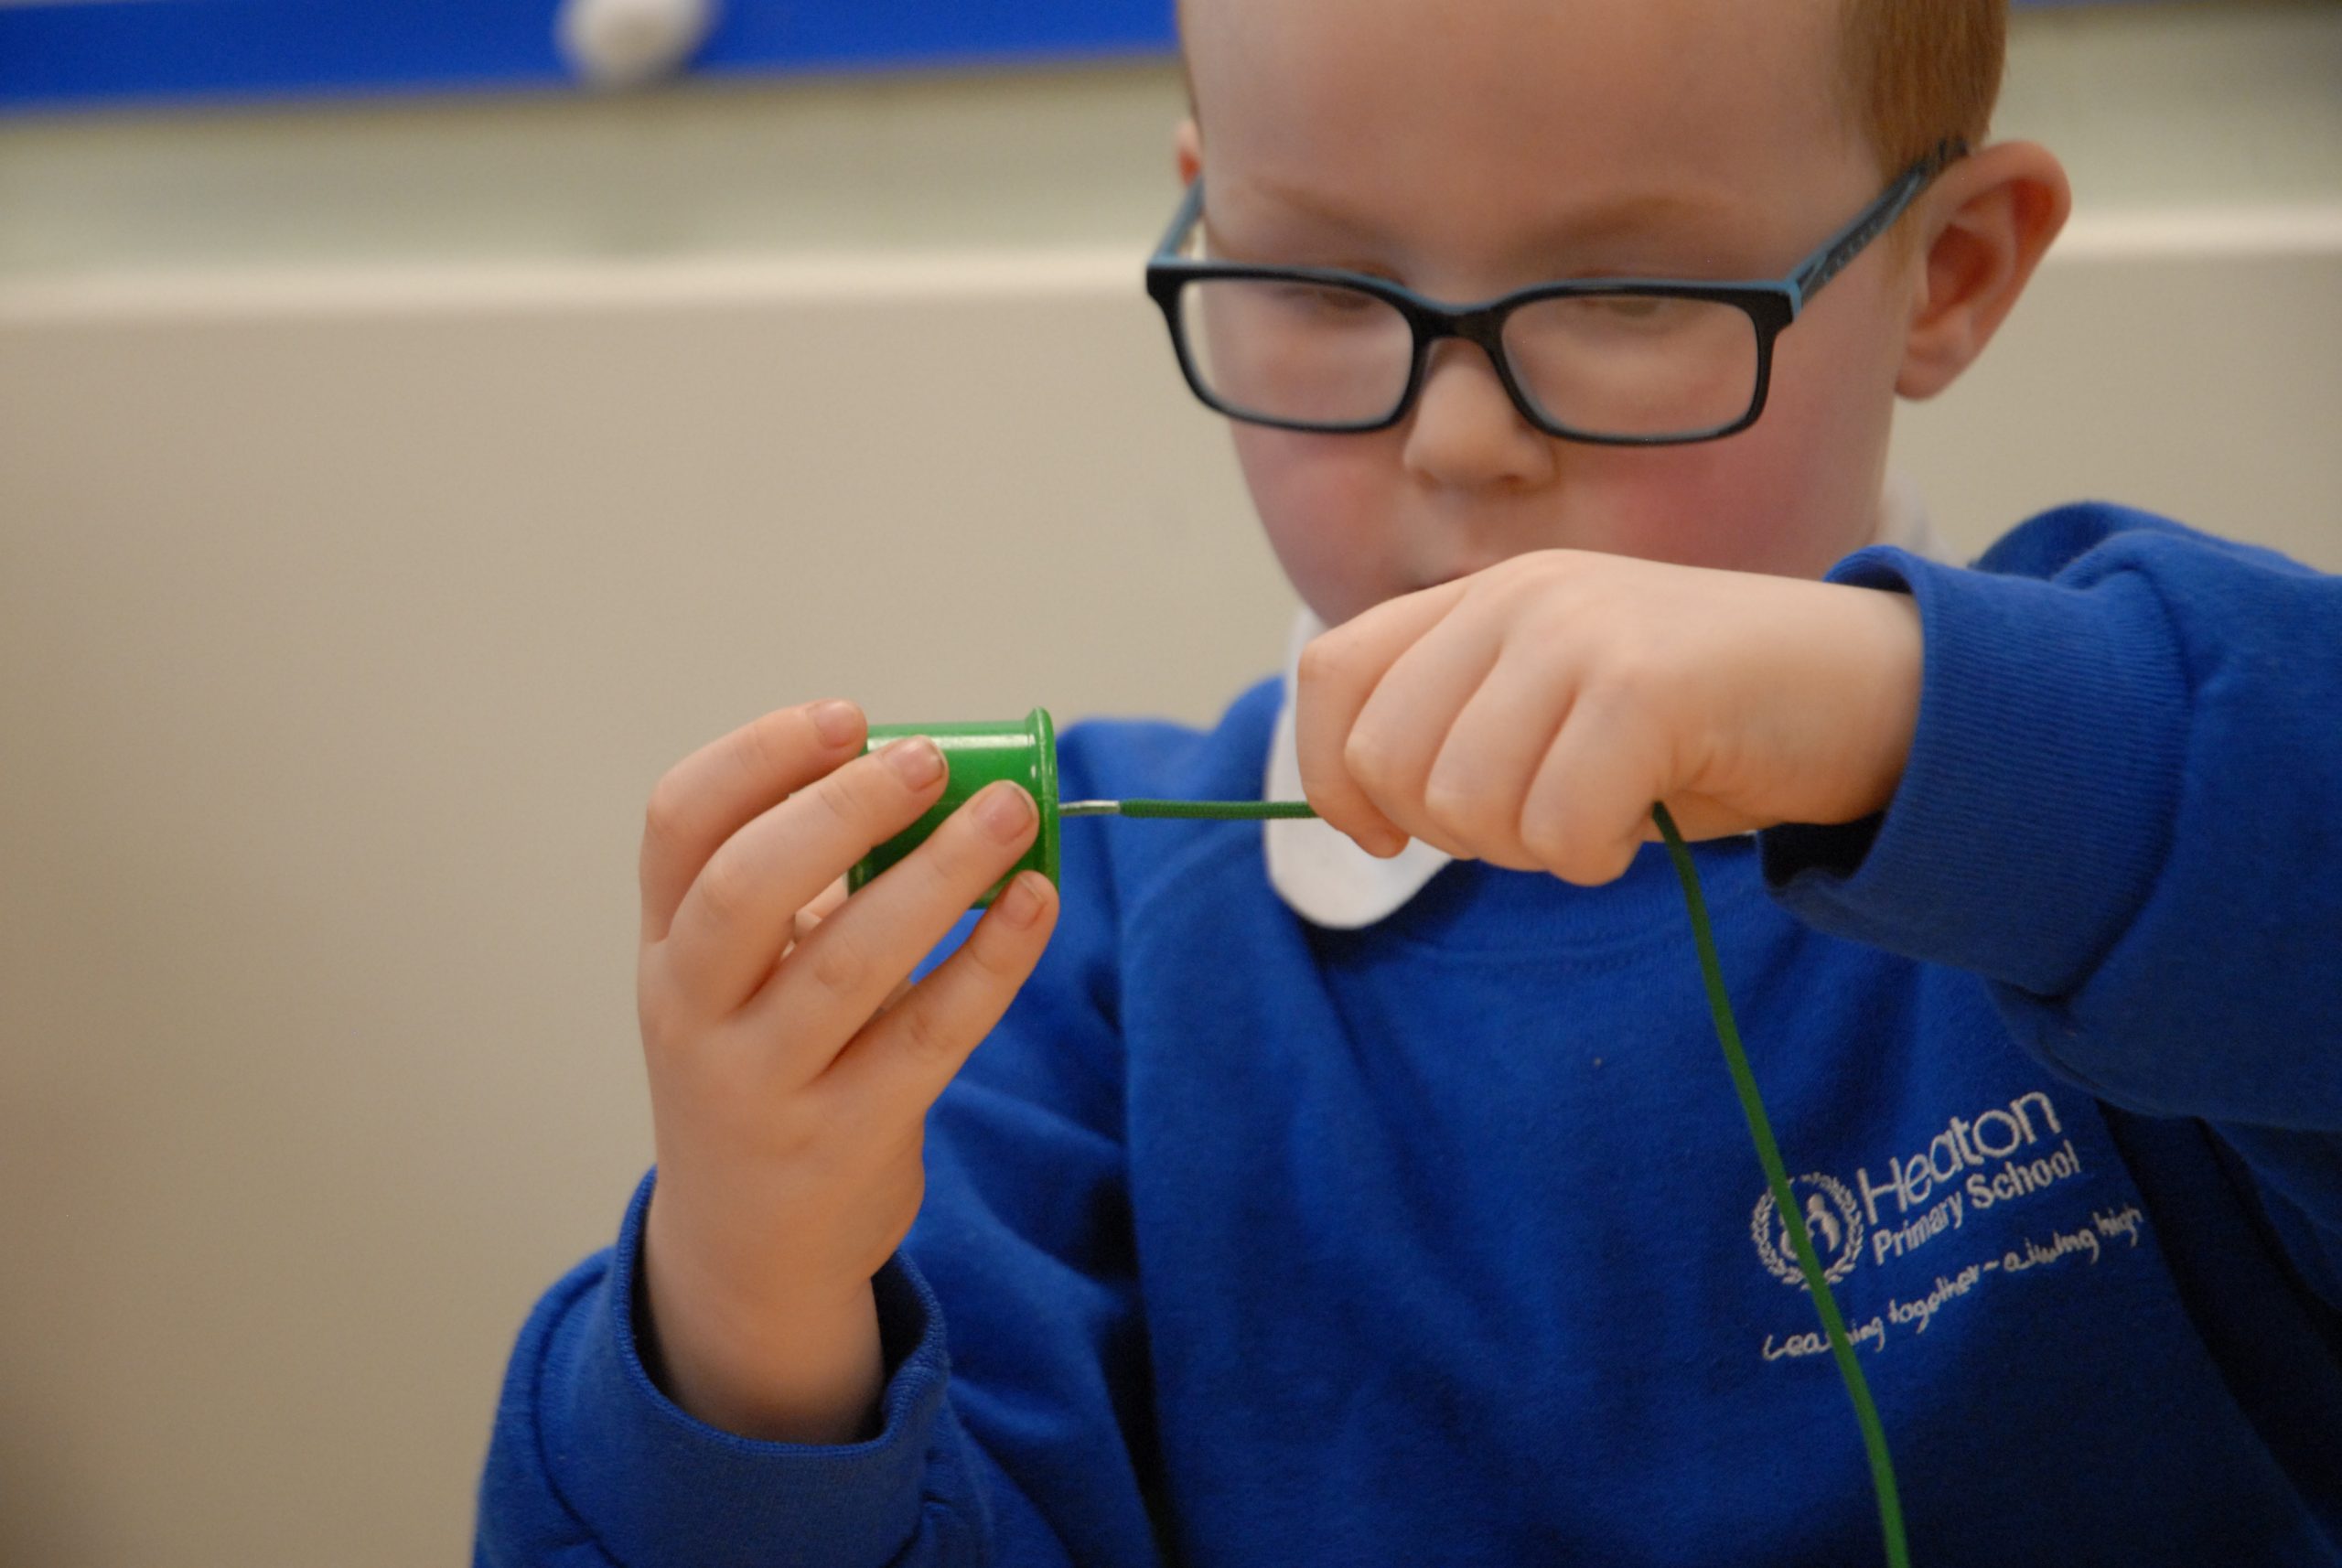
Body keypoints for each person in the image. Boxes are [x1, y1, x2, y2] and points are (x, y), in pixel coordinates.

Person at [475, 0, 2342, 1562]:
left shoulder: (2134, 810)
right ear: (1208, 220)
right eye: (1322, 282)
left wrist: (1903, 712)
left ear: (1943, 271)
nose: (1457, 437)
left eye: (1618, 294)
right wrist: (746, 1309)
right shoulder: (1058, 979)